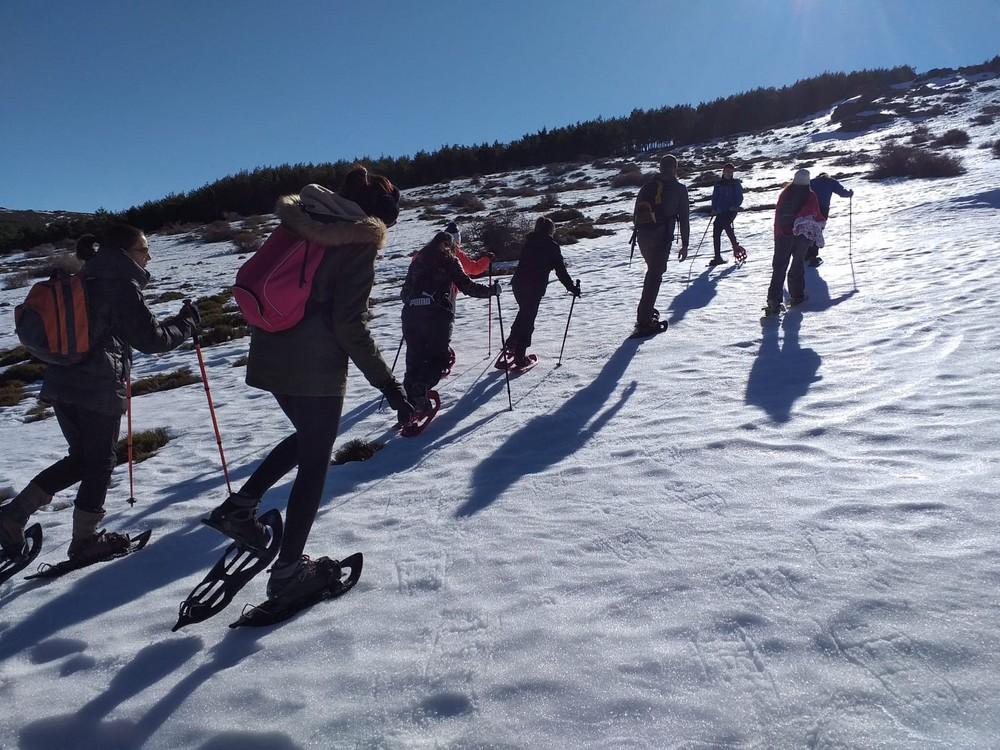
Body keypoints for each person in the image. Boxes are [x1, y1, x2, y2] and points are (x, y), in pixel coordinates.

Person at [205, 172, 412, 602]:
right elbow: (349, 325)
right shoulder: (356, 241)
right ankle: (288, 572)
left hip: (270, 352)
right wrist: (389, 385)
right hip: (314, 369)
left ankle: (240, 509)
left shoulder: (301, 219)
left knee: (310, 439)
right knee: (316, 465)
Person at [0, 226, 198, 562]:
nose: (148, 256)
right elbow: (152, 339)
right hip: (98, 387)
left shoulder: (86, 276)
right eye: (143, 249)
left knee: (82, 458)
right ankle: (84, 541)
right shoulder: (119, 285)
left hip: (62, 383)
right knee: (100, 462)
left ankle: (13, 516)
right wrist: (186, 323)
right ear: (124, 253)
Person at [400, 232, 497, 412]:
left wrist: (415, 303)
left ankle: (406, 405)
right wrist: (492, 291)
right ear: (451, 246)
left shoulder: (417, 261)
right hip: (437, 316)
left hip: (411, 316)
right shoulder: (450, 261)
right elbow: (468, 287)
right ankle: (421, 391)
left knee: (414, 358)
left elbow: (404, 293)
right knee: (440, 359)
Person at [504, 217, 579, 367]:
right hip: (534, 287)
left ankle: (511, 343)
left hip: (518, 284)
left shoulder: (529, 242)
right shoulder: (551, 246)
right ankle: (519, 355)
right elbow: (561, 271)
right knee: (528, 319)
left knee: (524, 314)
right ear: (551, 230)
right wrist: (572, 288)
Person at [632, 154, 690, 335]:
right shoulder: (679, 189)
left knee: (652, 273)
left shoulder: (647, 186)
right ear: (675, 168)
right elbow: (685, 219)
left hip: (642, 236)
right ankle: (644, 321)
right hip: (662, 237)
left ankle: (646, 312)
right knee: (655, 276)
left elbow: (635, 214)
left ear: (660, 167)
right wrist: (685, 244)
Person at [765, 169, 825, 315]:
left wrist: (779, 234)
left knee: (779, 267)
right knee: (797, 265)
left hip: (782, 235)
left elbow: (778, 215)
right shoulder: (810, 195)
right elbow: (815, 214)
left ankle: (774, 301)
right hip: (802, 236)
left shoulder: (785, 193)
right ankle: (797, 296)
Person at [806, 173, 854, 266]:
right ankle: (812, 255)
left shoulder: (812, 182)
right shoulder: (831, 182)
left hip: (810, 209)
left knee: (809, 230)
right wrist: (850, 193)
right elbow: (842, 192)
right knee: (818, 231)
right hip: (823, 209)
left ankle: (805, 253)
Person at [709, 162, 744, 266]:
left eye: (730, 171)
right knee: (716, 231)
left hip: (731, 211)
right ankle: (718, 256)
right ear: (723, 171)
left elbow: (740, 196)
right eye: (727, 171)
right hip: (720, 211)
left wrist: (736, 205)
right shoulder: (718, 184)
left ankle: (735, 246)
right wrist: (714, 208)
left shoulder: (735, 183)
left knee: (725, 224)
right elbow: (715, 197)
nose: (729, 173)